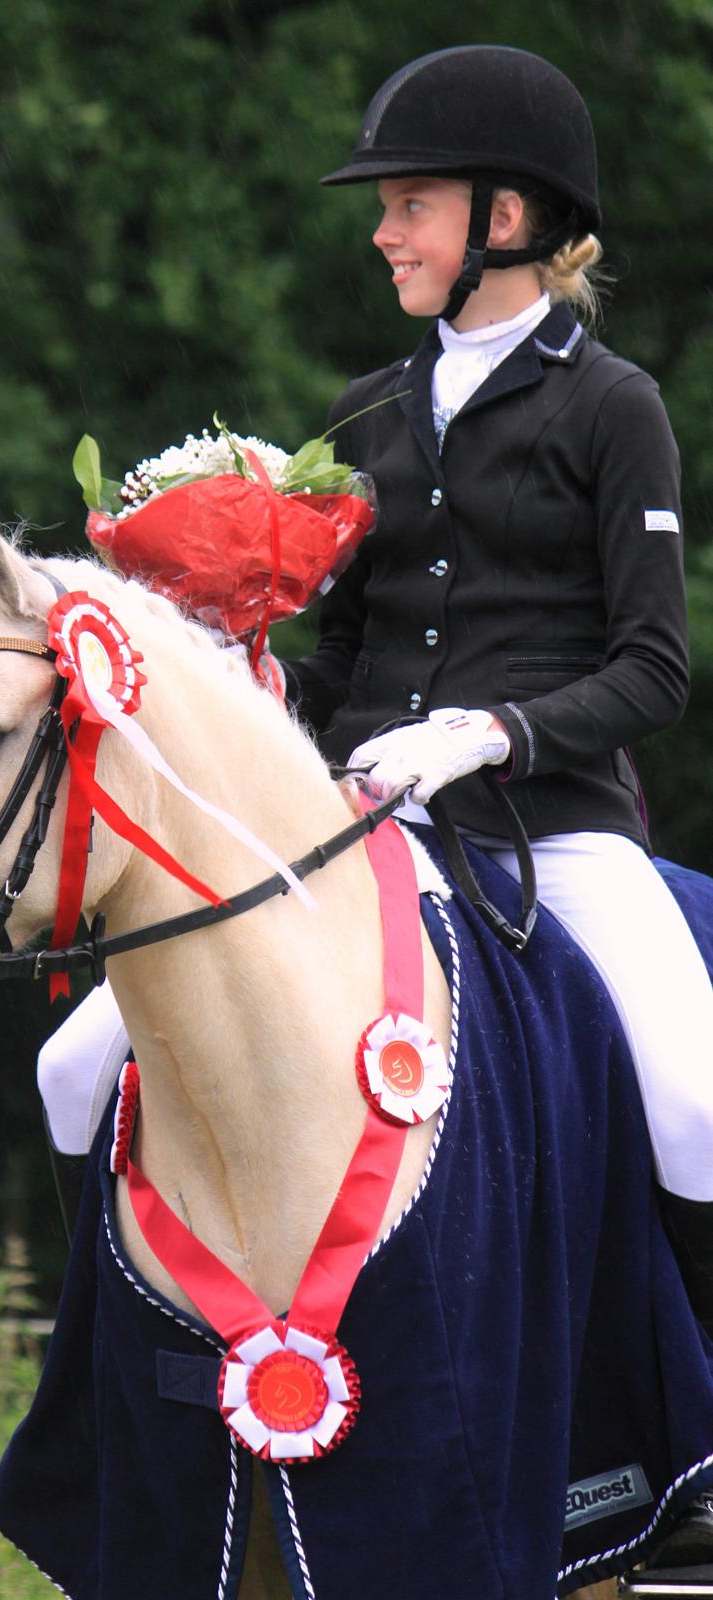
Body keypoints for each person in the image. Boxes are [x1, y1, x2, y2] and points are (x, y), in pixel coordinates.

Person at [282, 42, 713, 1566]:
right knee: (86, 1065)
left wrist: (494, 733)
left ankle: (697, 1463)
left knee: (696, 1103)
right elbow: (335, 661)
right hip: (364, 829)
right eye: (388, 209)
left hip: (556, 823)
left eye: (409, 206)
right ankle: (165, 1414)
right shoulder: (359, 415)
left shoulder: (614, 409)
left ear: (509, 218)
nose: (386, 234)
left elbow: (654, 668)